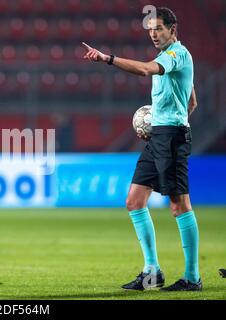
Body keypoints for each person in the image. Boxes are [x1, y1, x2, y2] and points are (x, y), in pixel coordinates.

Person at [82, 7, 201, 291]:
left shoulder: (177, 55)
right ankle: (152, 272)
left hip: (170, 137)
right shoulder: (170, 58)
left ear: (173, 29)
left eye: (158, 28)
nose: (153, 34)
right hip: (159, 135)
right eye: (150, 30)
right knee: (134, 200)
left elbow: (146, 70)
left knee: (178, 205)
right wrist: (165, 122)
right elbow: (192, 101)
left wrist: (107, 58)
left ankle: (192, 277)